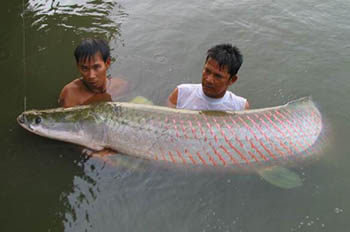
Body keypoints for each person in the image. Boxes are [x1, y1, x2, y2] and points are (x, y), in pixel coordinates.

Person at [167, 44, 249, 111]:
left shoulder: (240, 106)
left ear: (232, 80)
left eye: (218, 76)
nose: (209, 80)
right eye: (207, 71)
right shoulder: (181, 93)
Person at [58, 38, 128, 108]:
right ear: (78, 66)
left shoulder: (120, 86)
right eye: (85, 68)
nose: (91, 76)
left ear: (107, 63)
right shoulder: (71, 94)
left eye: (96, 67)